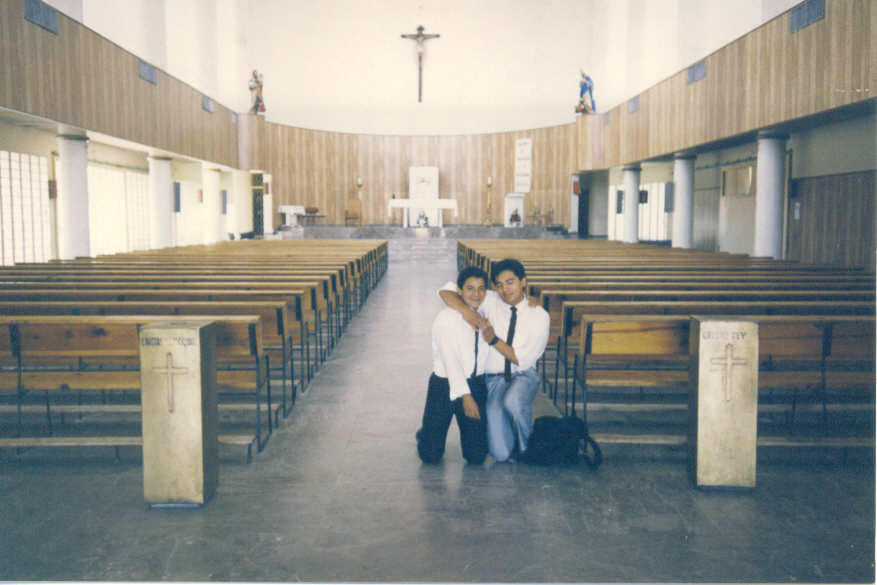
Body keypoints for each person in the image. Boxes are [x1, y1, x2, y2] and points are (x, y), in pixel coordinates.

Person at [439, 259, 550, 462]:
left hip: (523, 375)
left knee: (513, 400)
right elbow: (446, 291)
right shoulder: (490, 300)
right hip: (494, 380)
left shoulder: (539, 315)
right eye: (499, 285)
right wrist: (467, 313)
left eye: (510, 282)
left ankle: (530, 448)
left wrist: (493, 340)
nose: (505, 289)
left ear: (523, 282)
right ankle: (510, 435)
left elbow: (521, 360)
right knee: (500, 454)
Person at [416, 267, 491, 465]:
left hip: (474, 382)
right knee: (430, 455)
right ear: (459, 291)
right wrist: (466, 397)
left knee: (476, 456)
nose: (476, 294)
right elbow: (451, 363)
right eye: (470, 288)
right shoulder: (446, 320)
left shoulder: (484, 310)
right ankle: (425, 434)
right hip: (445, 383)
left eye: (481, 289)